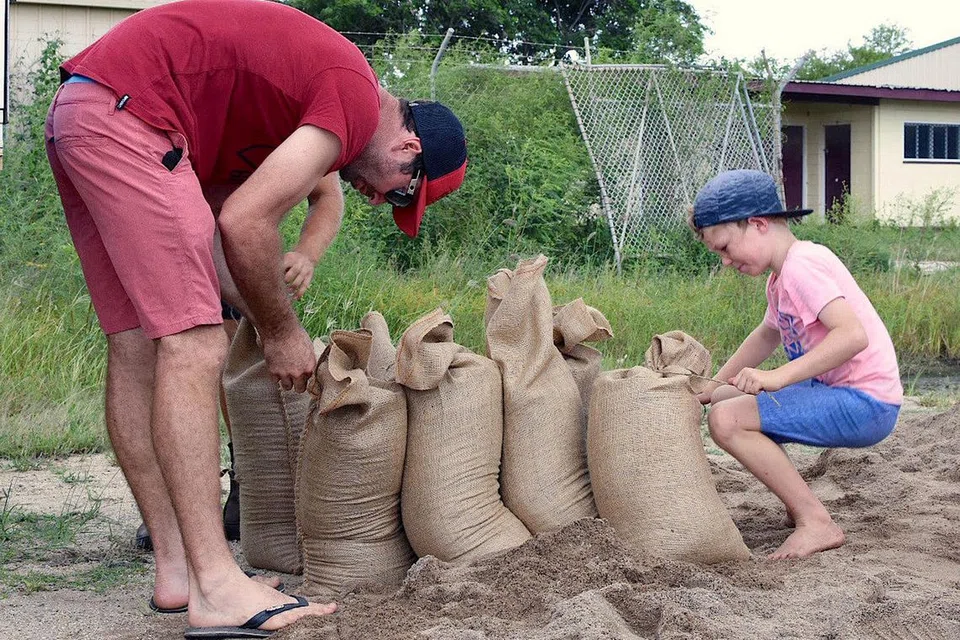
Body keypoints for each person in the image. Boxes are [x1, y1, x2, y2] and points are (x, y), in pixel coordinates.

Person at [44, 0, 467, 635]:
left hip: (87, 112)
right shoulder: (353, 98)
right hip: (131, 115)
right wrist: (281, 332)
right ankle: (216, 588)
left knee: (138, 342)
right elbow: (245, 224)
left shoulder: (262, 121)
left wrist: (267, 314)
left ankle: (180, 571)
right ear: (408, 144)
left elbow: (216, 241)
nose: (379, 199)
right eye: (401, 190)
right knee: (193, 344)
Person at [688, 169, 902, 561]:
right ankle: (796, 503)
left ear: (758, 224)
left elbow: (853, 336)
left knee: (728, 420)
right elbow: (766, 335)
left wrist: (777, 376)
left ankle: (816, 521)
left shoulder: (804, 265)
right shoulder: (780, 278)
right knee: (722, 399)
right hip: (836, 393)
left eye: (725, 247)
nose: (724, 261)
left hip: (865, 401)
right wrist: (711, 384)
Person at [134, 173, 345, 551]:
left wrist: (306, 253)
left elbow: (327, 193)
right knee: (164, 360)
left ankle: (245, 482)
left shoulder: (304, 125)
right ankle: (170, 506)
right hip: (170, 227)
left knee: (238, 359)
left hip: (238, 247)